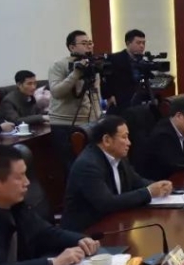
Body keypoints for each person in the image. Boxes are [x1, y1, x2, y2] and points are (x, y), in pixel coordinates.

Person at [60, 116, 173, 231]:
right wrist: (149, 192)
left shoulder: (118, 157)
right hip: (86, 232)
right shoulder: (88, 165)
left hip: (113, 223)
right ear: (107, 140)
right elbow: (106, 203)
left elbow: (137, 182)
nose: (129, 143)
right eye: (124, 137)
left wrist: (160, 186)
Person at [48, 30, 103, 170]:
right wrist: (76, 73)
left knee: (90, 164)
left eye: (90, 43)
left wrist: (98, 118)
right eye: (84, 43)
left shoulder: (91, 65)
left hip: (88, 123)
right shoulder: (59, 65)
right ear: (72, 47)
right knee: (71, 166)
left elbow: (95, 94)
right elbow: (56, 92)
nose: (89, 46)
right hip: (64, 124)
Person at [105, 29, 148, 113]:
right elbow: (106, 79)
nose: (142, 46)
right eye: (138, 43)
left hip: (138, 102)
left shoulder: (142, 61)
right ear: (128, 43)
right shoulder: (114, 58)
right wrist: (109, 96)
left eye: (143, 43)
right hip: (119, 102)